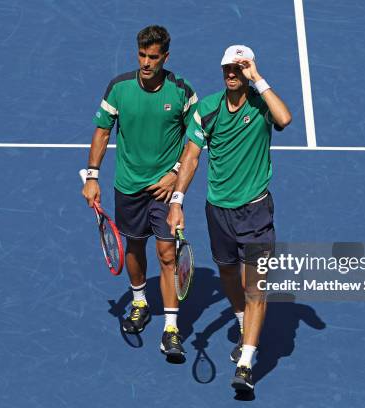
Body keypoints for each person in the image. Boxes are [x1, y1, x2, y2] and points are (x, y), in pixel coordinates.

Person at [167, 45, 292, 390]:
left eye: (240, 68)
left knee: (255, 289)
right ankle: (242, 322)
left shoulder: (261, 105)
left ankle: (247, 364)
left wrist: (259, 79)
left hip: (255, 212)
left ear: (248, 69)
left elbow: (284, 119)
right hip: (217, 211)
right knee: (226, 271)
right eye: (228, 68)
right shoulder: (207, 109)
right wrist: (177, 201)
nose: (232, 73)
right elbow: (190, 157)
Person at [82, 25, 198, 359]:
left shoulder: (181, 91)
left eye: (154, 57)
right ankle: (140, 302)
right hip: (128, 187)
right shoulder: (119, 88)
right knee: (133, 246)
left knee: (166, 254)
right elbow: (102, 132)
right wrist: (92, 177)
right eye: (142, 56)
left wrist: (174, 175)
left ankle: (171, 329)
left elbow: (194, 141)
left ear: (166, 56)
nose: (147, 63)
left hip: (164, 190)